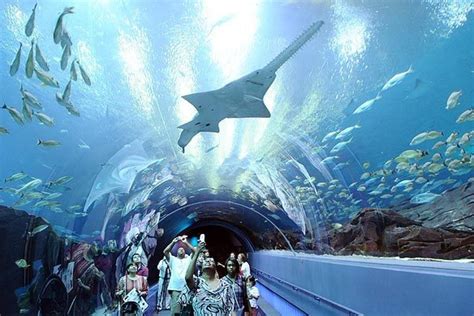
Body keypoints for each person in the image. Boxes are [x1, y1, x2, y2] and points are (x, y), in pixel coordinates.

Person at [181, 242, 237, 316]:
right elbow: (188, 278)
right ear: (201, 268)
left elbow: (231, 309)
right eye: (206, 261)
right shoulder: (197, 283)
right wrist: (197, 252)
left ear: (215, 268)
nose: (208, 261)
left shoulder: (225, 286)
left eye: (211, 261)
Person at [164, 235, 195, 315]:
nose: (181, 249)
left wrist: (186, 243)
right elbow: (165, 251)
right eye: (179, 249)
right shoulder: (173, 259)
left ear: (185, 252)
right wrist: (173, 242)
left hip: (188, 288)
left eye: (183, 249)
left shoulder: (188, 259)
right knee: (176, 312)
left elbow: (195, 251)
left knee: (188, 311)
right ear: (176, 252)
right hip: (175, 288)